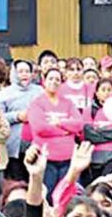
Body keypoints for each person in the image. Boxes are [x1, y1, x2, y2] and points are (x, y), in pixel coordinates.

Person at [28, 68, 83, 196]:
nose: (54, 82)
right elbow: (40, 128)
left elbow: (78, 124)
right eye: (51, 78)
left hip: (69, 158)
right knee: (47, 194)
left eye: (57, 79)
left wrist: (59, 122)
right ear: (44, 81)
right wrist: (66, 130)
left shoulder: (68, 103)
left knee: (69, 194)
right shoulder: (37, 103)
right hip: (47, 159)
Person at [0, 60, 44, 182]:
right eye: (20, 71)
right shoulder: (3, 94)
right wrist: (17, 116)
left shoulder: (41, 91)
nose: (24, 74)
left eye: (27, 71)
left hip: (37, 142)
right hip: (15, 144)